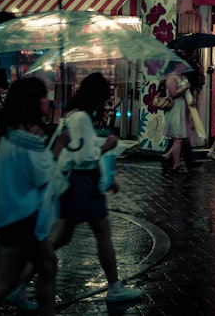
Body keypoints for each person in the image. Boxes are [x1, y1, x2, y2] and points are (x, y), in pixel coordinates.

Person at [47, 73, 142, 303]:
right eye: (105, 92)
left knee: (62, 236)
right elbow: (85, 156)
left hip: (79, 183)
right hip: (82, 185)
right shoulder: (81, 117)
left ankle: (19, 280)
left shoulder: (75, 115)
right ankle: (114, 287)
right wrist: (108, 145)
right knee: (99, 232)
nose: (108, 96)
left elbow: (79, 148)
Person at [0, 78, 69, 315]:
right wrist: (59, 145)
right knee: (4, 282)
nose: (47, 100)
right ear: (30, 102)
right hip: (22, 219)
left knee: (47, 266)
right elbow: (42, 175)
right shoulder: (24, 139)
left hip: (16, 217)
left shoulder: (13, 134)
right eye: (41, 96)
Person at [160, 61, 192, 174]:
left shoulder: (182, 77)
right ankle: (177, 164)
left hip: (182, 108)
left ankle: (168, 155)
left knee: (182, 138)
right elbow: (173, 94)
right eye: (182, 64)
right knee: (178, 138)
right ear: (177, 65)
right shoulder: (171, 78)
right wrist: (185, 88)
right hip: (175, 109)